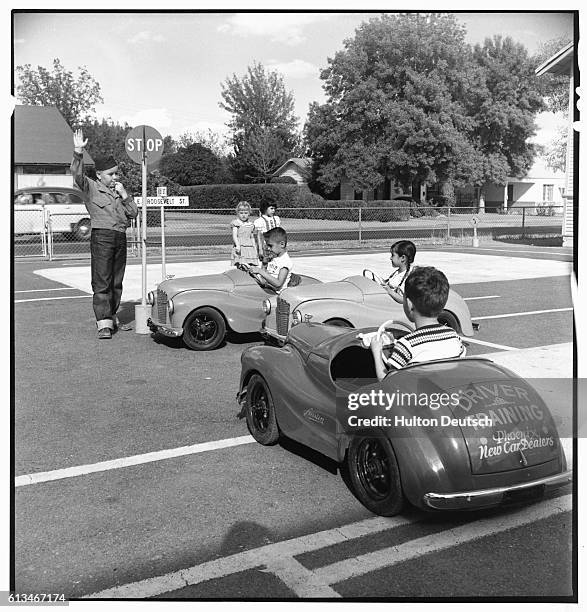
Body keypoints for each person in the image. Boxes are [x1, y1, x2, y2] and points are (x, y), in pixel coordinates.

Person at [71, 129, 138, 339]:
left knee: (116, 281)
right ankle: (103, 323)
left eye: (117, 174)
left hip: (119, 237)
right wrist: (78, 152)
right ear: (99, 175)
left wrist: (125, 195)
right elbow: (77, 175)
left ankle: (112, 316)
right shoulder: (91, 187)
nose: (115, 177)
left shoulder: (120, 192)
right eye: (111, 174)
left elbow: (134, 213)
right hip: (102, 237)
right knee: (102, 282)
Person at [370, 266, 465, 380]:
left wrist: (376, 351)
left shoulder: (406, 345)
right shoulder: (454, 337)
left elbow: (387, 382)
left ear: (409, 304)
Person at [247, 227, 292, 294]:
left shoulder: (285, 262)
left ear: (282, 244)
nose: (269, 248)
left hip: (277, 295)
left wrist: (260, 271)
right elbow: (264, 279)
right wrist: (264, 264)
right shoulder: (274, 258)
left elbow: (278, 284)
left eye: (271, 246)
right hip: (267, 289)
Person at [230, 201, 259, 266]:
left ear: (249, 213)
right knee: (241, 263)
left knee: (250, 264)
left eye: (246, 213)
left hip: (249, 246)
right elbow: (234, 235)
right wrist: (237, 245)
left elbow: (252, 237)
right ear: (238, 213)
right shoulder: (236, 223)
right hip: (240, 246)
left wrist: (255, 247)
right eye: (241, 213)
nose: (243, 215)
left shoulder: (251, 225)